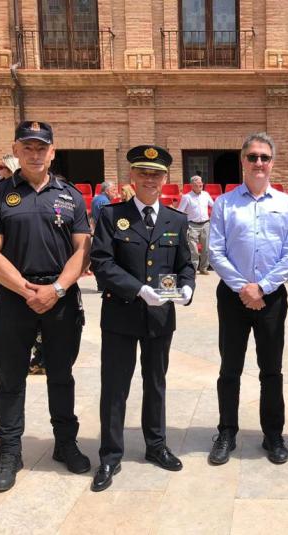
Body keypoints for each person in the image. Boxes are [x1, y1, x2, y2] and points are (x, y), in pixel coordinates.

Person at [0, 121, 92, 492]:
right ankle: (10, 451)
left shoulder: (70, 196)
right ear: (16, 149)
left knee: (61, 375)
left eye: (41, 147)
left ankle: (65, 443)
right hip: (15, 297)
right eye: (27, 147)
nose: (35, 153)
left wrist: (56, 289)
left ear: (52, 151)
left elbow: (83, 250)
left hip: (60, 299)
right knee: (11, 379)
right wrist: (27, 290)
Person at [89, 145, 195, 491]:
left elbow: (184, 266)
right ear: (132, 177)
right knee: (115, 386)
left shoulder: (176, 220)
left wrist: (188, 288)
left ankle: (156, 445)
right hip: (121, 314)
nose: (150, 179)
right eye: (143, 173)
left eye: (156, 174)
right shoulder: (111, 215)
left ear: (165, 179)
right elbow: (102, 264)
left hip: (160, 317)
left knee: (156, 384)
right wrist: (137, 289)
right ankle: (110, 454)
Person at [207, 132, 288, 465]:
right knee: (229, 369)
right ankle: (227, 432)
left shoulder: (287, 204)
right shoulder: (225, 203)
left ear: (272, 162)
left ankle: (273, 434)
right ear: (242, 161)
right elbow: (215, 251)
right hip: (233, 297)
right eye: (252, 157)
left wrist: (261, 288)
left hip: (272, 298)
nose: (258, 162)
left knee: (271, 370)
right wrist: (243, 288)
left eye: (264, 157)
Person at [177, 175, 214, 274]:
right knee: (194, 250)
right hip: (192, 225)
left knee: (206, 249)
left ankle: (204, 268)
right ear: (192, 185)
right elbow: (180, 211)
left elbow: (214, 205)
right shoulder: (186, 197)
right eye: (198, 183)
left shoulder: (206, 194)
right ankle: (193, 270)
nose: (200, 184)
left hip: (206, 224)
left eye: (201, 183)